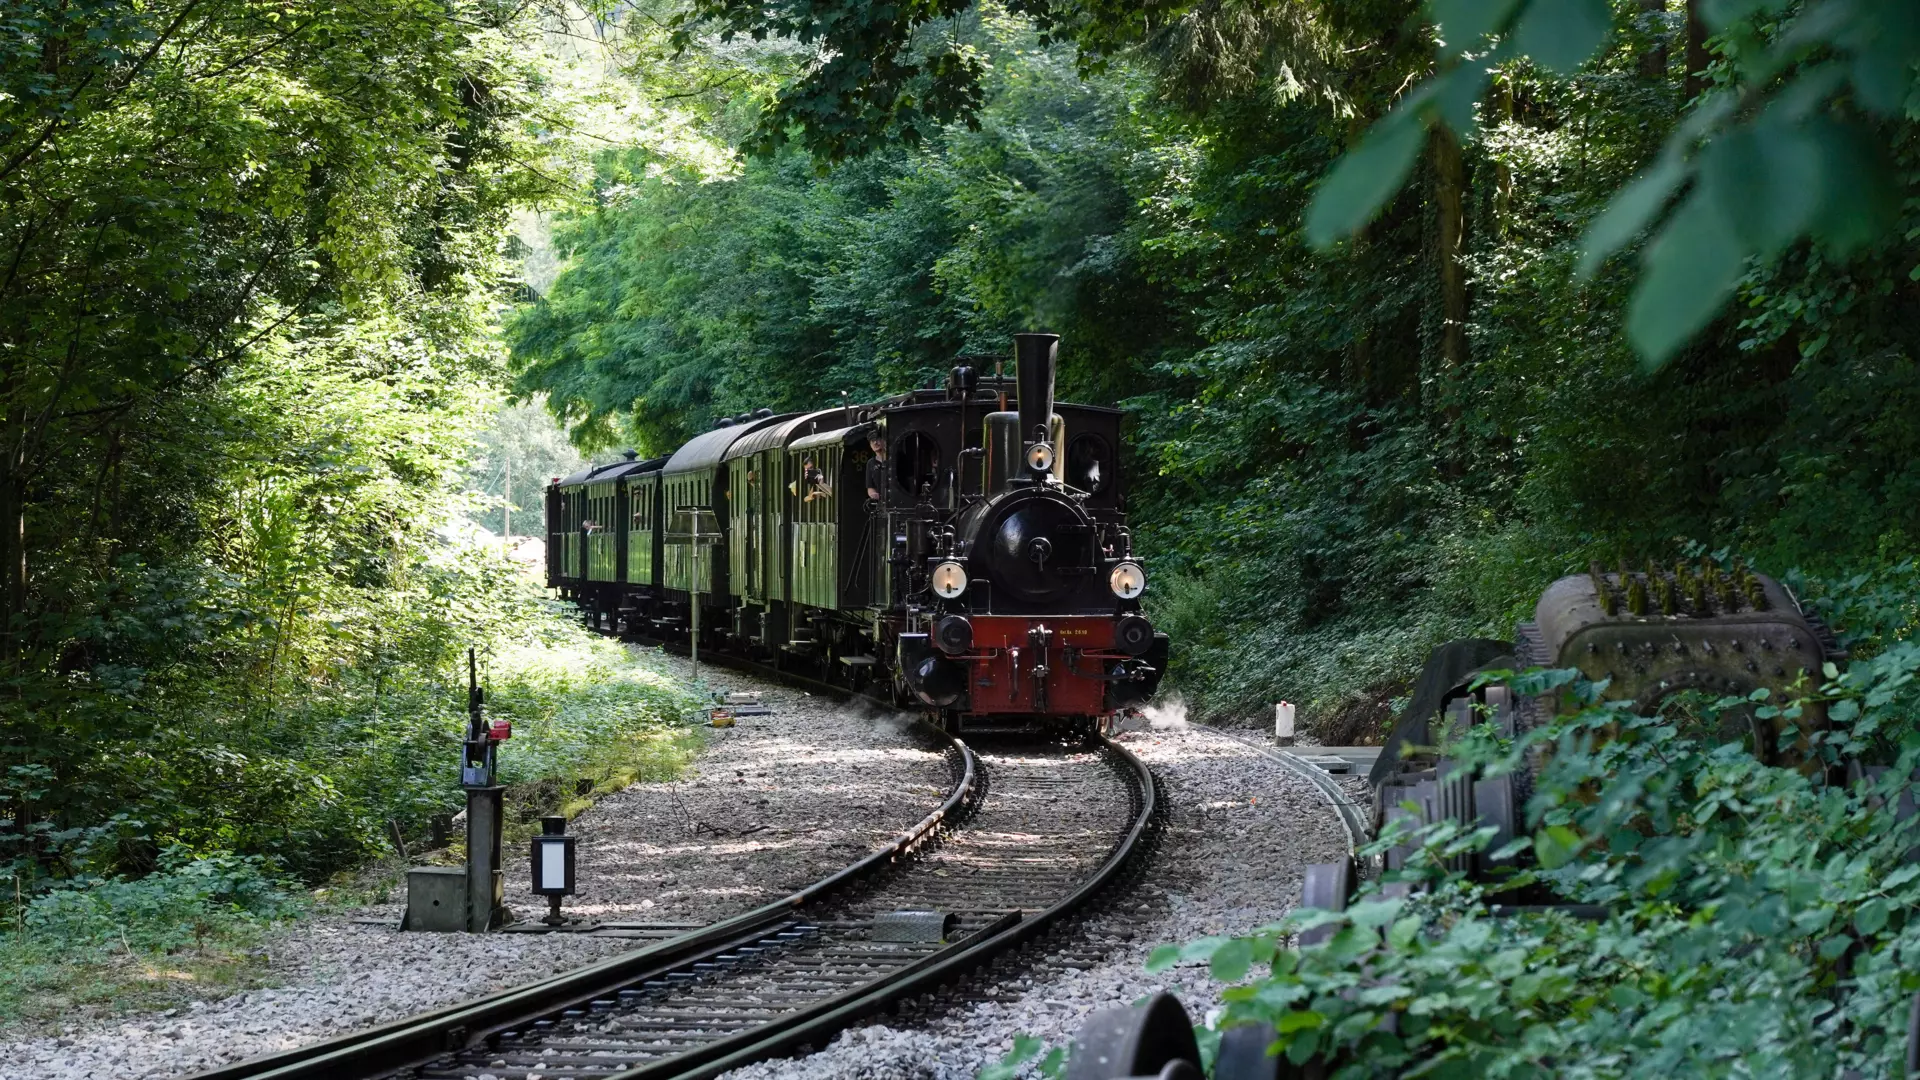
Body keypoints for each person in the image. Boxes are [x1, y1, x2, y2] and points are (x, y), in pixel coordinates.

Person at [865, 427, 887, 502]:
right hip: (880, 502)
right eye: (872, 441)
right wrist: (873, 494)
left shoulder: (896, 458)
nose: (875, 443)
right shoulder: (870, 463)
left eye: (877, 439)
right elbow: (870, 486)